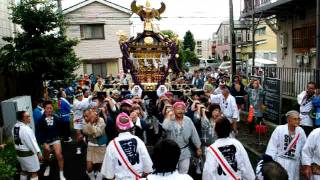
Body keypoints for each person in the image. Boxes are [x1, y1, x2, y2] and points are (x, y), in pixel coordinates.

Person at [101, 113, 153, 179]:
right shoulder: (138, 141)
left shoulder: (112, 145)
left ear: (117, 128)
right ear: (130, 126)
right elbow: (148, 168)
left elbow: (109, 175)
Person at [265, 110, 307, 180]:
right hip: (280, 162)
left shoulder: (301, 131)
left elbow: (304, 149)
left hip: (294, 164)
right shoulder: (279, 129)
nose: (297, 121)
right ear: (288, 119)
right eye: (295, 119)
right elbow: (272, 146)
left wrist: (305, 163)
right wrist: (269, 161)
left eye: (299, 119)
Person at [162, 101, 202, 174]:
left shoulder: (188, 120)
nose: (180, 111)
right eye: (178, 109)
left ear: (185, 110)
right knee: (172, 172)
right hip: (171, 151)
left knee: (184, 172)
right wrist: (168, 116)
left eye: (182, 109)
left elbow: (194, 134)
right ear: (174, 110)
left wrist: (198, 147)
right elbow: (165, 127)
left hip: (185, 150)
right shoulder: (170, 120)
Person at [37, 101, 66, 180]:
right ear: (44, 109)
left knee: (59, 155)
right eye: (47, 108)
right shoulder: (40, 120)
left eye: (50, 108)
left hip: (55, 138)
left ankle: (61, 173)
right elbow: (39, 133)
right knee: (47, 157)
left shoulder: (56, 117)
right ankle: (48, 166)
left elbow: (62, 126)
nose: (49, 110)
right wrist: (43, 143)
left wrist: (61, 136)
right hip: (45, 140)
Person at [13, 111, 42, 180]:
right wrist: (38, 152)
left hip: (19, 154)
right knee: (34, 172)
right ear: (22, 118)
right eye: (27, 116)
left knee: (24, 171)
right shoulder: (26, 129)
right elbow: (32, 143)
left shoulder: (15, 127)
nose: (30, 118)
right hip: (28, 155)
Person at [83, 109, 107, 180]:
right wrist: (90, 123)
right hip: (91, 145)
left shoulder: (101, 120)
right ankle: (92, 177)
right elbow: (85, 131)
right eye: (85, 116)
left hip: (101, 145)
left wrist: (90, 127)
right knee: (89, 167)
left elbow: (98, 133)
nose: (86, 118)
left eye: (87, 116)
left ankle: (99, 177)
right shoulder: (86, 121)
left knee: (100, 165)